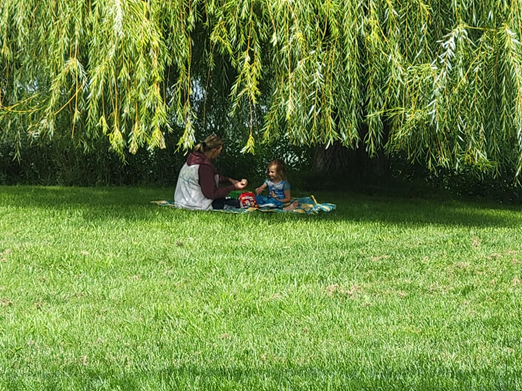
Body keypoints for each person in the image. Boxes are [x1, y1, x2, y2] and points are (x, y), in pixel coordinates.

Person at [174, 134, 247, 210]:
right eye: (220, 150)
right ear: (214, 150)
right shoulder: (204, 166)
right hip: (196, 205)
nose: (219, 153)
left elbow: (210, 177)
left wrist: (229, 180)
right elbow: (212, 194)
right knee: (238, 203)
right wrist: (234, 187)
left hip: (181, 202)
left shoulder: (193, 160)